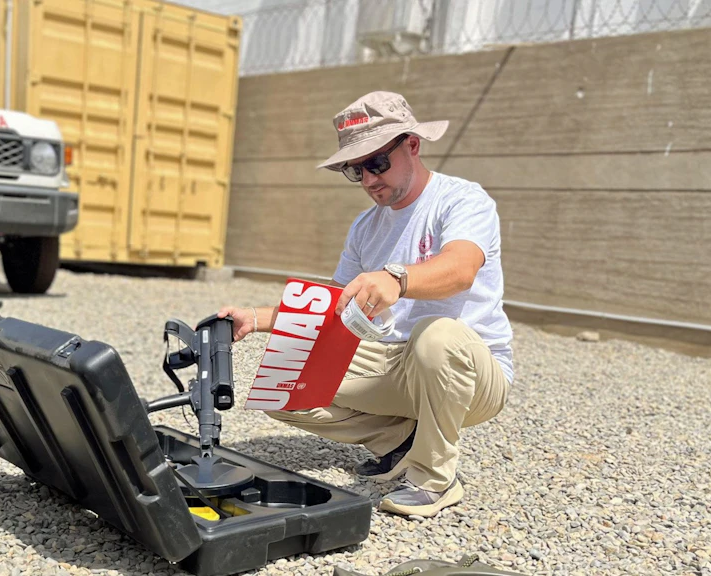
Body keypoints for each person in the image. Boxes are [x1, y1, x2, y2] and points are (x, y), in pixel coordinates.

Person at [218, 91, 514, 518]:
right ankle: (401, 443)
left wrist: (399, 278)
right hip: (396, 364)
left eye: (376, 163)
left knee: (438, 335)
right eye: (356, 170)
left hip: (471, 374)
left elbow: (461, 269)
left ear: (412, 145)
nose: (370, 179)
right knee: (283, 379)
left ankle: (434, 478)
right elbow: (337, 307)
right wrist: (258, 318)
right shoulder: (365, 227)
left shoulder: (462, 200)